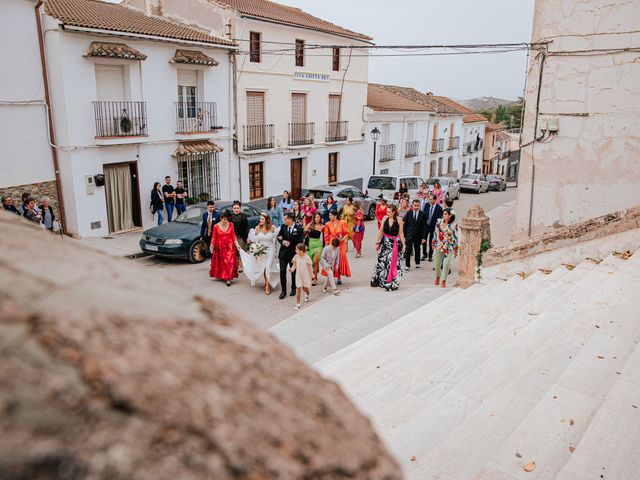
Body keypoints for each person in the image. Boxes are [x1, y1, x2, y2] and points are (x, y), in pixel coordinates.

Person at [241, 213, 279, 295]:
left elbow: (277, 237)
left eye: (262, 219)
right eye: (260, 219)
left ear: (266, 220)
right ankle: (267, 281)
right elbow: (254, 239)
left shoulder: (272, 228)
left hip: (270, 249)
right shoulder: (257, 228)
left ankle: (268, 286)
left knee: (268, 267)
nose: (260, 220)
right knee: (264, 268)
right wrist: (255, 247)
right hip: (261, 250)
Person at [371, 204, 406, 291]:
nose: (387, 213)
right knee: (382, 260)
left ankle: (392, 281)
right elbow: (381, 231)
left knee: (393, 263)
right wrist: (377, 242)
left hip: (394, 244)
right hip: (385, 243)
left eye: (389, 212)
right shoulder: (385, 218)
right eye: (387, 211)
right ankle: (380, 279)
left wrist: (404, 245)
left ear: (394, 212)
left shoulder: (399, 220)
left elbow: (401, 233)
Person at [209, 210, 240, 287]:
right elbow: (214, 237)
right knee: (222, 263)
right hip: (220, 247)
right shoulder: (216, 226)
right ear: (221, 218)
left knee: (229, 262)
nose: (226, 221)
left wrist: (237, 244)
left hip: (229, 247)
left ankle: (228, 278)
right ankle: (222, 275)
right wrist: (211, 246)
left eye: (227, 219)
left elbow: (233, 236)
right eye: (224, 219)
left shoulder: (231, 225)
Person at [277, 212, 304, 299]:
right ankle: (283, 291)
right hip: (283, 253)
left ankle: (293, 288)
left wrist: (291, 244)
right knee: (282, 271)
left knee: (293, 272)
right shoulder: (283, 226)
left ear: (290, 219)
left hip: (293, 254)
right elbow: (279, 236)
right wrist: (283, 242)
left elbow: (300, 242)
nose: (283, 220)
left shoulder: (299, 229)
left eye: (285, 219)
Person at [433, 208, 459, 288]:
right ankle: (438, 276)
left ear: (450, 215)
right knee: (437, 264)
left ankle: (443, 280)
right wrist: (433, 243)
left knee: (446, 263)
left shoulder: (454, 225)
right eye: (443, 214)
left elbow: (455, 237)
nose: (443, 216)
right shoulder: (439, 222)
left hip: (449, 246)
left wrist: (456, 249)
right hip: (439, 245)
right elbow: (435, 233)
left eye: (445, 214)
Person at [323, 210, 351, 284]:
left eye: (331, 215)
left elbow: (346, 233)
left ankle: (339, 277)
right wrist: (327, 245)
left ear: (335, 216)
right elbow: (326, 235)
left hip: (341, 243)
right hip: (332, 243)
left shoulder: (342, 222)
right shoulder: (327, 224)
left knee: (341, 258)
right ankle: (330, 277)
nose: (329, 217)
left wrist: (343, 239)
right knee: (332, 259)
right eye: (329, 215)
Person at [403, 199, 427, 271]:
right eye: (415, 205)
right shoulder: (408, 213)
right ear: (412, 205)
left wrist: (424, 237)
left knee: (417, 249)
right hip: (409, 235)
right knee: (408, 250)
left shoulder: (423, 214)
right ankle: (407, 265)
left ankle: (417, 263)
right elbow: (405, 225)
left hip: (418, 235)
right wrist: (404, 236)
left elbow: (424, 227)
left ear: (419, 206)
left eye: (417, 205)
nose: (416, 207)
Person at [289, 243, 313, 310]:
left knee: (305, 288)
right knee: (298, 288)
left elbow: (310, 267)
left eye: (296, 250)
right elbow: (294, 265)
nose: (295, 251)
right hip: (298, 275)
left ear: (301, 251)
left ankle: (307, 293)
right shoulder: (296, 257)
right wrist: (292, 269)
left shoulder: (307, 258)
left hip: (305, 275)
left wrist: (312, 274)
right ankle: (297, 303)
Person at [229, 201, 249, 273]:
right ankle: (236, 265)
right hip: (232, 237)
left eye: (237, 208)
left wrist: (247, 237)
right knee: (234, 252)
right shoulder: (230, 217)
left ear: (240, 208)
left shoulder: (243, 216)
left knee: (241, 251)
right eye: (235, 208)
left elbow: (247, 227)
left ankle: (241, 266)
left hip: (241, 236)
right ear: (232, 209)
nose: (236, 209)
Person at [422, 193, 443, 262]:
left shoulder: (439, 208)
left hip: (433, 227)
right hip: (425, 226)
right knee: (424, 240)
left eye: (431, 199)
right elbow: (424, 215)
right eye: (429, 199)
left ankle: (430, 255)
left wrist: (437, 228)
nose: (429, 201)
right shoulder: (427, 205)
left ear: (435, 200)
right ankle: (424, 254)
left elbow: (439, 219)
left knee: (431, 241)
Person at [305, 213, 324, 285]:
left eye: (318, 217)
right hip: (311, 244)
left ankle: (315, 278)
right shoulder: (309, 225)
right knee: (311, 262)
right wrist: (306, 245)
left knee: (316, 261)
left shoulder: (322, 226)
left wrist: (324, 246)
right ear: (313, 218)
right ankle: (313, 274)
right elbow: (305, 235)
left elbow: (325, 237)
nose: (317, 218)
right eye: (316, 217)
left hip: (318, 244)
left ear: (320, 218)